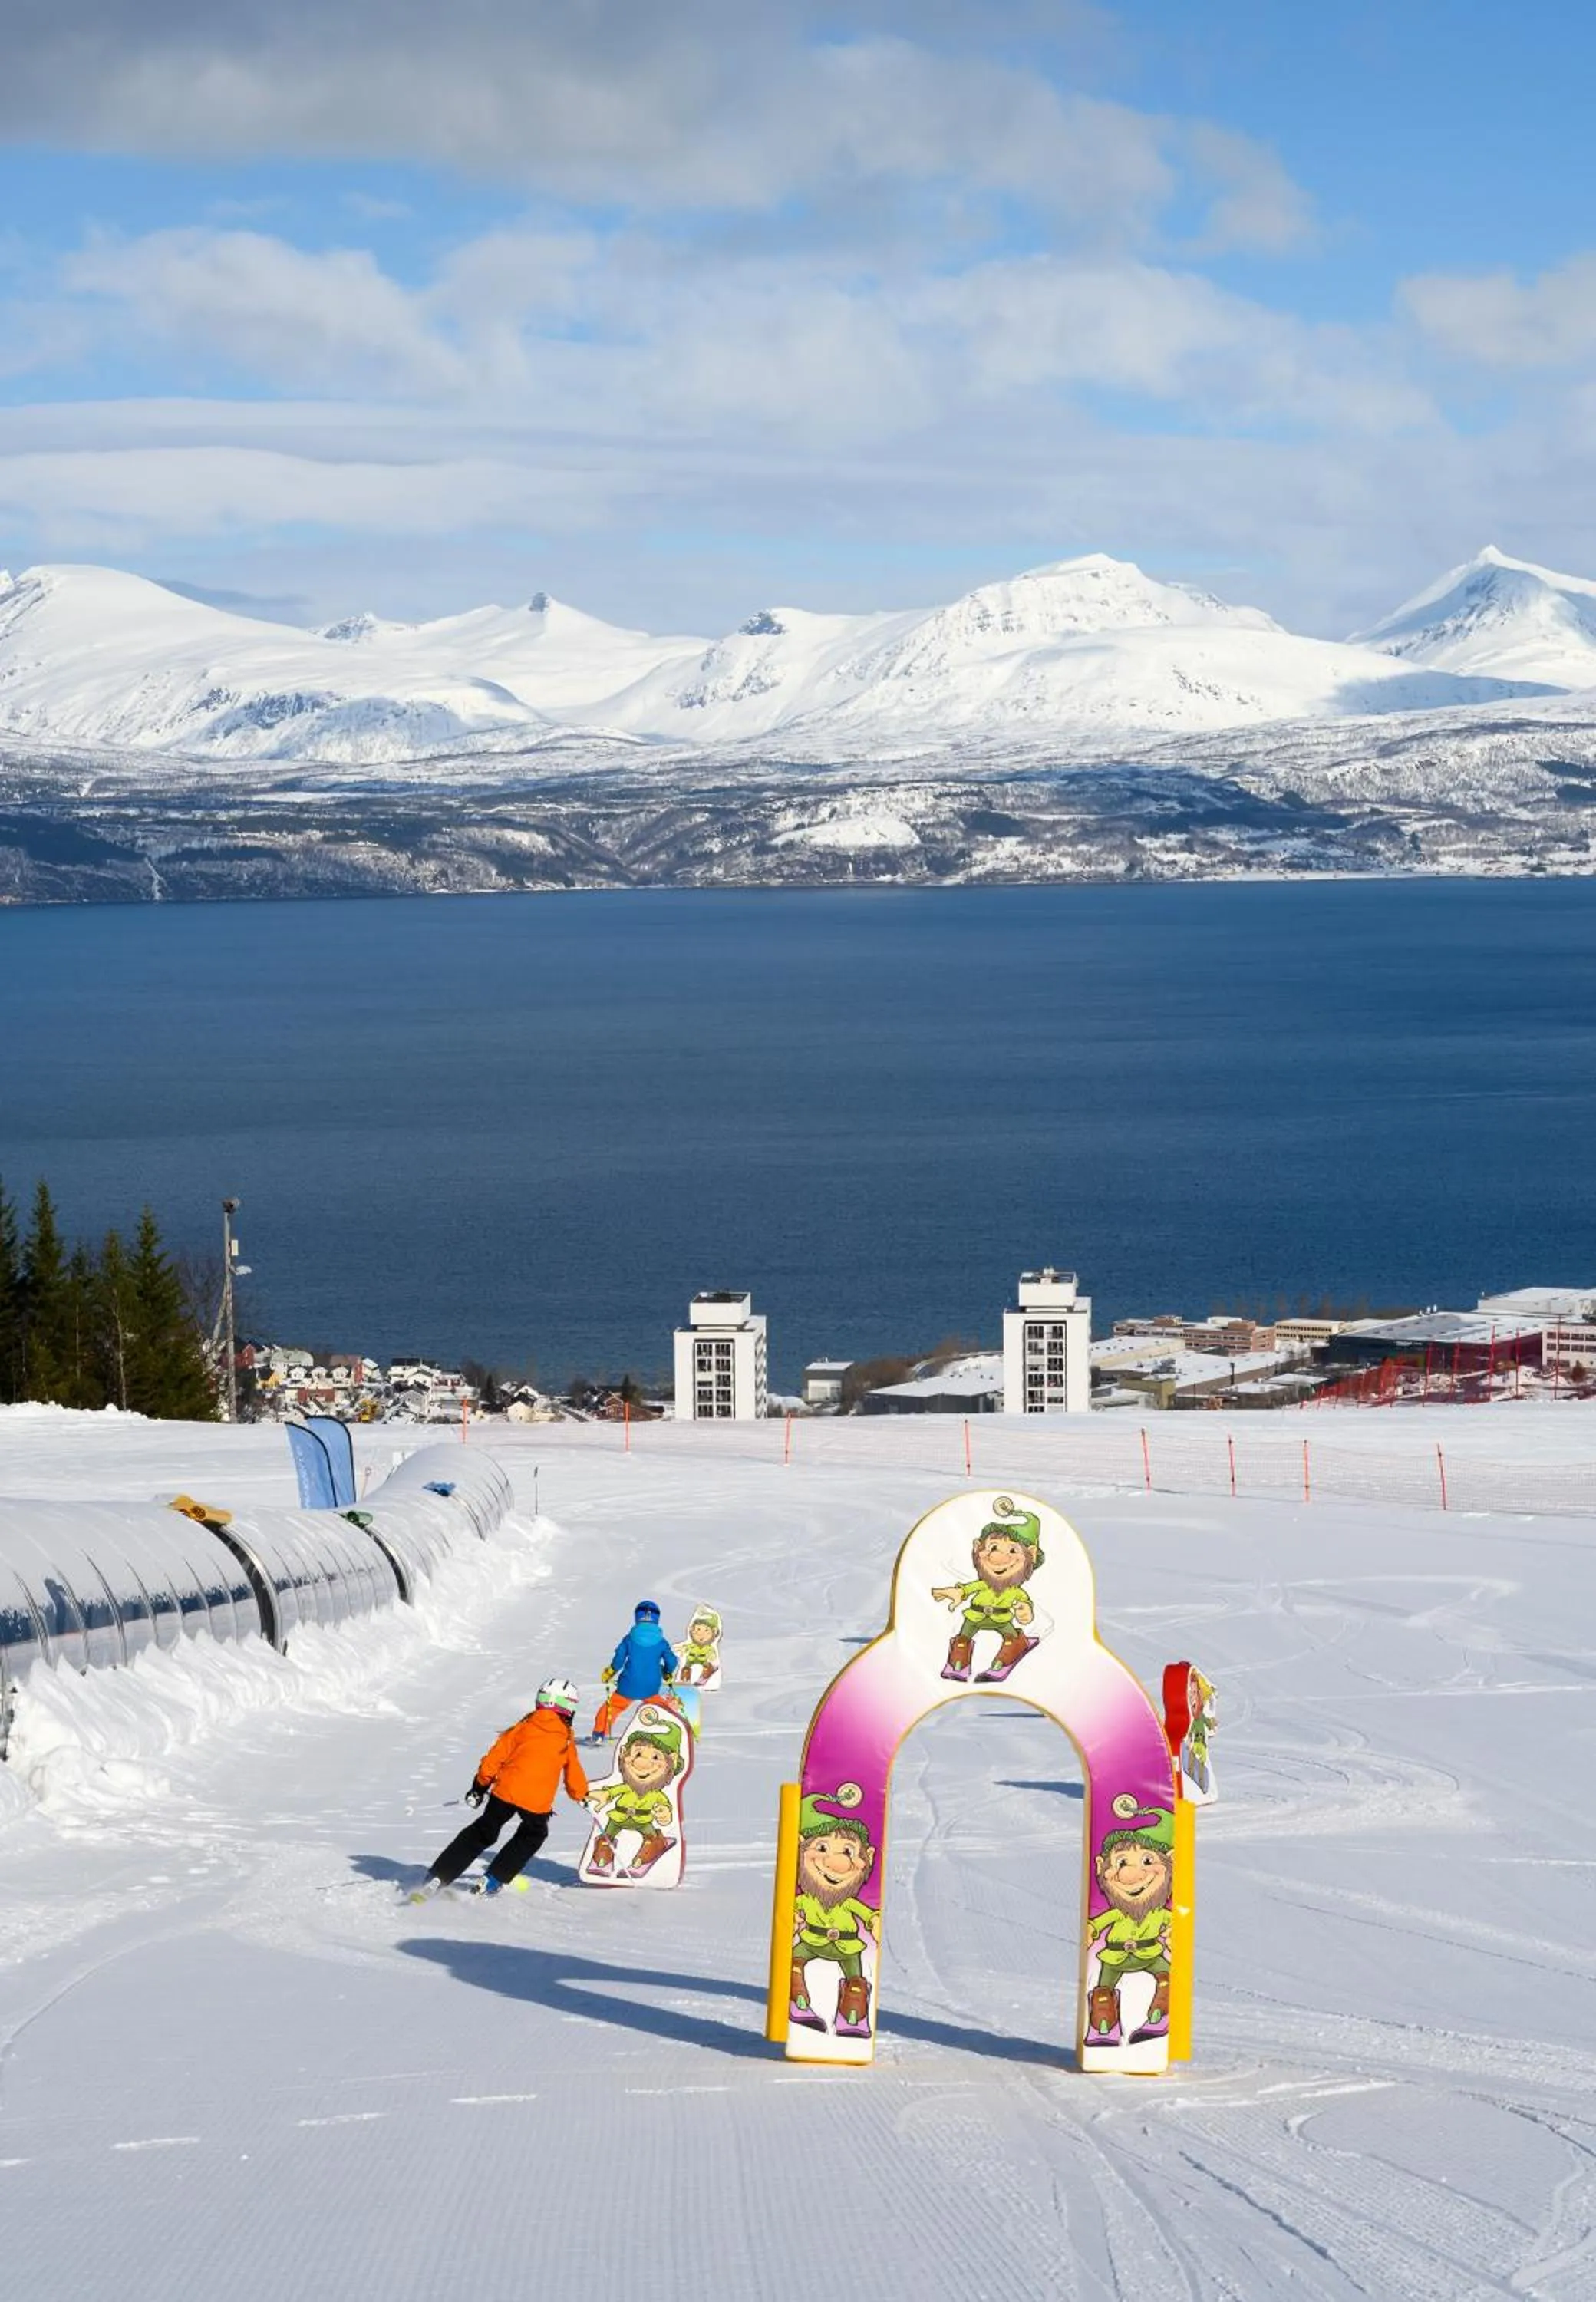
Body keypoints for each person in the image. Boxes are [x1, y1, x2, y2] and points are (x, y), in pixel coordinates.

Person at [408, 1677, 589, 1900]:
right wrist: (581, 1795)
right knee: (533, 1834)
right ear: (568, 1708)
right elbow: (574, 1773)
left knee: (483, 1832)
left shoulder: (523, 1726)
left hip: (504, 1792)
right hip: (536, 1802)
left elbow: (494, 1759)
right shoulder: (566, 1738)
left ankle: (438, 1877)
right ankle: (493, 1878)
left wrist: (479, 1787)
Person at [589, 1599, 679, 1741]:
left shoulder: (629, 1639)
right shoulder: (662, 1642)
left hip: (628, 1684)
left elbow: (619, 1659)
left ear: (637, 1617)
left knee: (611, 1707)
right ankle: (670, 1730)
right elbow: (672, 1661)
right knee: (659, 1707)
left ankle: (599, 1733)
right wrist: (667, 1671)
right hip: (651, 1686)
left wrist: (610, 1671)